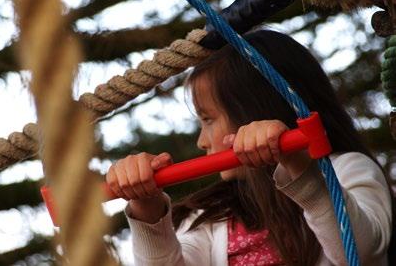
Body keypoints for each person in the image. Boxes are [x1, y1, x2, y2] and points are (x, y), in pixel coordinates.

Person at [106, 29, 392, 265]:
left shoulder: (347, 170)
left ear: (253, 113)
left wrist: (300, 167)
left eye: (208, 119)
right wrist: (146, 208)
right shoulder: (211, 218)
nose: (201, 141)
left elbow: (361, 253)